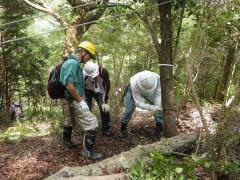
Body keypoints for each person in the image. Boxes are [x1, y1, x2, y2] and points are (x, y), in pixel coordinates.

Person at [60, 41, 102, 160]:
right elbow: (69, 86)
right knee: (92, 123)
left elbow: (75, 85)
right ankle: (88, 152)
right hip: (73, 100)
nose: (88, 59)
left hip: (73, 99)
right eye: (89, 55)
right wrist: (81, 101)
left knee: (70, 123)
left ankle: (68, 142)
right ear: (83, 52)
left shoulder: (74, 63)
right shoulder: (73, 63)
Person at [119, 70, 163, 138]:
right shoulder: (134, 84)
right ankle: (123, 128)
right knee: (129, 110)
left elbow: (158, 95)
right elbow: (138, 103)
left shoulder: (158, 79)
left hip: (152, 92)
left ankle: (160, 129)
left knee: (159, 108)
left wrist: (157, 106)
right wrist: (151, 107)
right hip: (133, 90)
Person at [83, 61, 113, 137]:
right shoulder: (83, 74)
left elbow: (107, 85)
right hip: (87, 90)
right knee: (86, 108)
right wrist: (82, 99)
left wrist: (105, 98)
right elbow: (81, 86)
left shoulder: (103, 71)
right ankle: (88, 128)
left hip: (100, 90)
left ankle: (106, 129)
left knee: (104, 107)